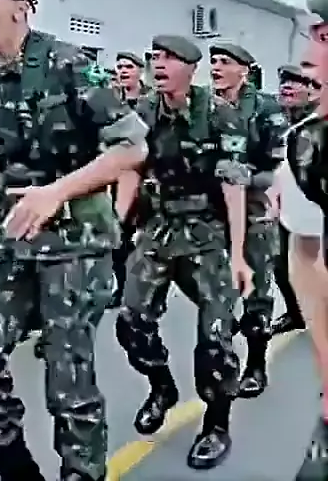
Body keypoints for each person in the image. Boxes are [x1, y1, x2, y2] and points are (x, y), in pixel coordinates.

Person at [0, 0, 148, 481]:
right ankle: (18, 470)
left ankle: (82, 472)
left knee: (68, 383)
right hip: (12, 238)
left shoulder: (70, 65)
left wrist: (56, 192)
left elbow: (132, 145)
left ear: (21, 11)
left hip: (75, 242)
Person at [116, 35, 253, 470]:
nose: (159, 65)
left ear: (191, 69)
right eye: (155, 57)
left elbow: (233, 186)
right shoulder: (141, 112)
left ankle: (216, 423)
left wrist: (238, 254)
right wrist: (118, 226)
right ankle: (162, 386)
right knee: (132, 321)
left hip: (206, 233)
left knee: (216, 337)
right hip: (158, 228)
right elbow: (129, 169)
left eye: (170, 59)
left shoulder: (220, 114)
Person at [209, 43, 289, 398]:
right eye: (213, 61)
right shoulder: (203, 106)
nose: (216, 67)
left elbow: (277, 170)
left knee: (256, 290)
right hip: (213, 209)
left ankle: (256, 364)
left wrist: (240, 177)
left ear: (244, 70)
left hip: (254, 207)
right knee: (215, 290)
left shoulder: (266, 109)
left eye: (224, 62)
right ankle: (219, 361)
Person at [282, 0, 328, 480]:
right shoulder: (306, 145)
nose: (310, 51)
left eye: (327, 38)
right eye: (314, 35)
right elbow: (305, 256)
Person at [271, 64, 315, 335]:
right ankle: (296, 314)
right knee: (280, 267)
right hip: (285, 209)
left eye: (296, 82)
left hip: (315, 210)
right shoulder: (273, 123)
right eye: (284, 82)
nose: (287, 86)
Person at [108, 51, 146, 308]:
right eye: (120, 67)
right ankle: (122, 288)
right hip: (116, 178)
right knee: (119, 238)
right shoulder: (113, 101)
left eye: (128, 67)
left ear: (140, 71)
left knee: (143, 241)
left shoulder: (150, 101)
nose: (123, 72)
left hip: (144, 180)